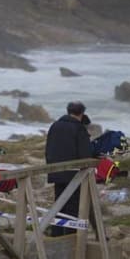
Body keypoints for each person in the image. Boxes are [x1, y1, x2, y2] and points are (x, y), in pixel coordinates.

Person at [45, 101, 92, 236]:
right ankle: (71, 237)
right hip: (74, 176)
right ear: (82, 113)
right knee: (73, 209)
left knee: (58, 206)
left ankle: (56, 235)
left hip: (56, 173)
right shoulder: (78, 128)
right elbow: (85, 155)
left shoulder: (55, 126)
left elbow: (48, 149)